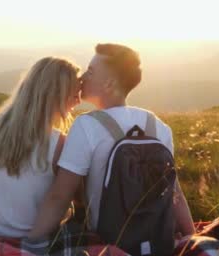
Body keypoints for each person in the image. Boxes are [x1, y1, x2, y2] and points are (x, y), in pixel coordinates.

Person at [28, 43, 195, 242]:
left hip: (110, 240)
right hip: (157, 239)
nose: (82, 78)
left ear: (108, 83)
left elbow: (60, 196)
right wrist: (191, 236)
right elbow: (174, 193)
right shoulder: (159, 126)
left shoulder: (86, 125)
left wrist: (31, 243)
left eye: (90, 72)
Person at [0, 57, 81, 238]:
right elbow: (63, 198)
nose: (79, 102)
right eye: (74, 95)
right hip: (28, 234)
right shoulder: (59, 144)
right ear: (56, 96)